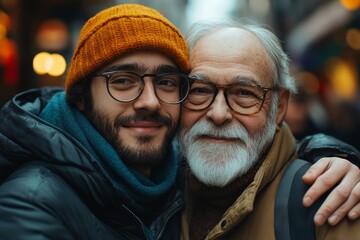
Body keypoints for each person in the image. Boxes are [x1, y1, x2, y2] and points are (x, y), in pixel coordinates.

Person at [0, 4, 358, 240]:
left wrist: (331, 153)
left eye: (244, 93)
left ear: (279, 108)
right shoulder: (31, 202)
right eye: (122, 81)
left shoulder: (328, 204)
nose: (150, 102)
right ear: (80, 96)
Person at [178, 18, 360, 240]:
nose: (218, 114)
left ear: (280, 107)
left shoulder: (332, 206)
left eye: (244, 93)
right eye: (200, 90)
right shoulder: (156, 192)